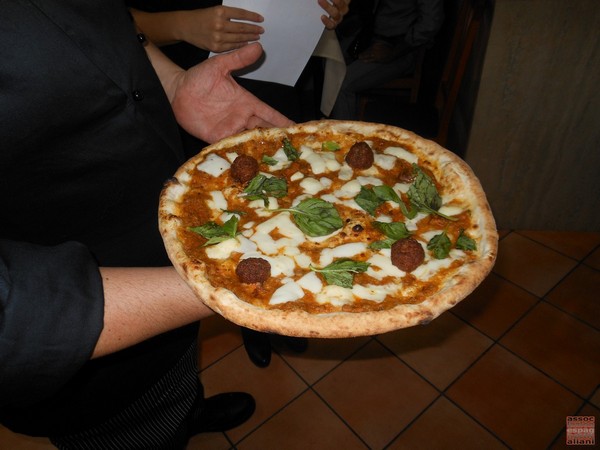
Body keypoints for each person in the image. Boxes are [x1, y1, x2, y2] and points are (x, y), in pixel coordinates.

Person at [0, 1, 292, 448]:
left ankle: (185, 409)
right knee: (126, 427)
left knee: (174, 368)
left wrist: (171, 81)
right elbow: (16, 321)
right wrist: (222, 287)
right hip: (84, 313)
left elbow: (96, 17)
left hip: (162, 213)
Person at [128, 0, 350, 368]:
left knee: (304, 205)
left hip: (273, 79)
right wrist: (179, 23)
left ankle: (282, 315)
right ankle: (256, 323)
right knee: (215, 232)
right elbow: (101, 17)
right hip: (186, 89)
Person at [329, 0, 444, 119]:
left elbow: (430, 23)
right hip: (369, 35)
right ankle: (348, 114)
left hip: (401, 47)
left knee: (340, 82)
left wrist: (395, 51)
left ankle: (346, 135)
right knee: (329, 57)